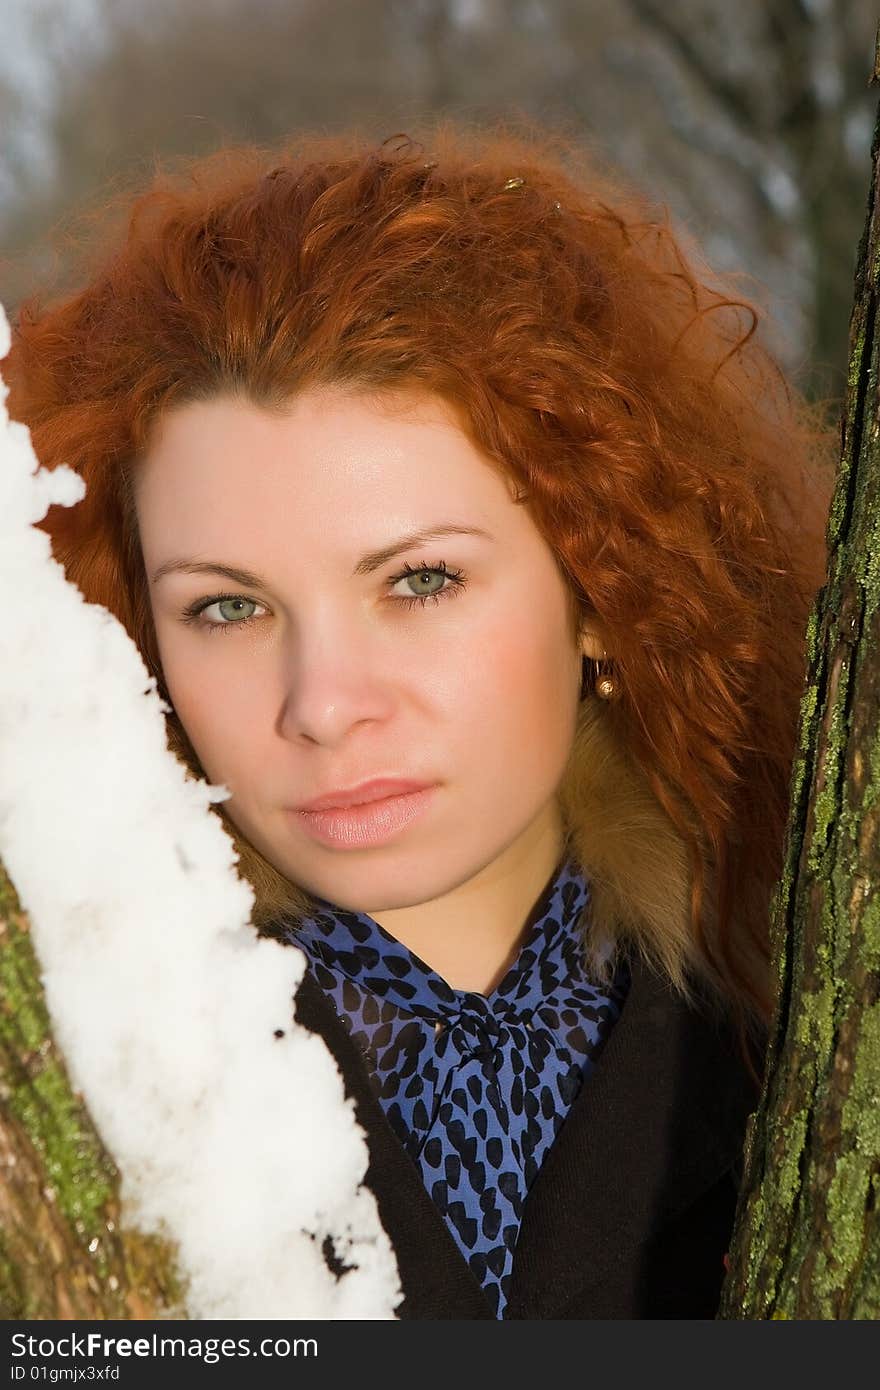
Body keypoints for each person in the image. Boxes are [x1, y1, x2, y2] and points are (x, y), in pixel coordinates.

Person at [6, 122, 835, 1319]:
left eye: (419, 581)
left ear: (601, 596)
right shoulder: (73, 1077)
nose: (325, 704)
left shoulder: (802, 1049)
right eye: (227, 606)